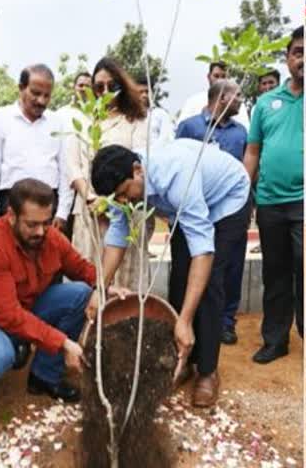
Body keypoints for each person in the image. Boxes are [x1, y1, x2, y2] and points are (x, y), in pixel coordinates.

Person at [92, 141, 250, 407]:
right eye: (116, 198)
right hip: (186, 207)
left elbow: (203, 251)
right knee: (180, 277)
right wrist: (99, 290)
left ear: (137, 170)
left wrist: (185, 320)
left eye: (123, 193)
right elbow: (117, 237)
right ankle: (183, 359)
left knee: (209, 283)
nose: (122, 201)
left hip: (227, 198)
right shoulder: (123, 187)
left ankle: (207, 371)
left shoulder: (175, 176)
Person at [0, 179, 100, 426]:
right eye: (32, 225)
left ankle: (44, 376)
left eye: (46, 222)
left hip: (24, 311)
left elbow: (83, 270)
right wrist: (63, 342)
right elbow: (7, 316)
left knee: (81, 293)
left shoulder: (51, 238)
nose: (41, 232)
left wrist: (104, 288)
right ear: (11, 215)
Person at [243, 26, 304, 364]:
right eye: (297, 52)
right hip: (269, 202)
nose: (303, 58)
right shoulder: (266, 103)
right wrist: (243, 194)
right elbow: (253, 152)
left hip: (303, 204)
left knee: (304, 266)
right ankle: (275, 339)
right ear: (287, 58)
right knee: (276, 273)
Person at [65, 57, 152, 290]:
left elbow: (139, 164)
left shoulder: (137, 121)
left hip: (126, 209)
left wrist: (111, 202)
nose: (105, 92)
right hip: (90, 210)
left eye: (111, 86)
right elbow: (73, 166)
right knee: (89, 274)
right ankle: (89, 324)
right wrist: (91, 197)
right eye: (99, 87)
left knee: (124, 274)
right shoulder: (83, 121)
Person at [177, 79, 248, 345]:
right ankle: (194, 321)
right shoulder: (189, 127)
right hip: (197, 211)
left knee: (231, 267)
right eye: (237, 96)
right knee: (203, 265)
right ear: (221, 99)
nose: (241, 100)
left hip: (231, 211)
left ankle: (226, 323)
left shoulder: (240, 132)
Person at [0, 64, 74, 228]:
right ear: (21, 88)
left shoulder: (58, 122)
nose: (41, 101)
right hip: (9, 203)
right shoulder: (0, 118)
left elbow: (66, 170)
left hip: (49, 205)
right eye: (36, 93)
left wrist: (62, 212)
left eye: (47, 95)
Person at [54, 71, 91, 238]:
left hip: (84, 188)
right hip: (61, 184)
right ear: (74, 87)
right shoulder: (60, 115)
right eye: (80, 85)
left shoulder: (95, 117)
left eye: (88, 86)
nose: (83, 89)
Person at [177, 61, 250, 127]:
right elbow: (181, 128)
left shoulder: (237, 104)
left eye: (223, 76)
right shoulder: (193, 101)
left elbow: (245, 131)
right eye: (216, 76)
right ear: (209, 77)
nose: (219, 80)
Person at [135, 74, 175, 142]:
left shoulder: (161, 114)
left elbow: (167, 138)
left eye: (147, 92)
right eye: (140, 92)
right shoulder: (127, 115)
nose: (144, 95)